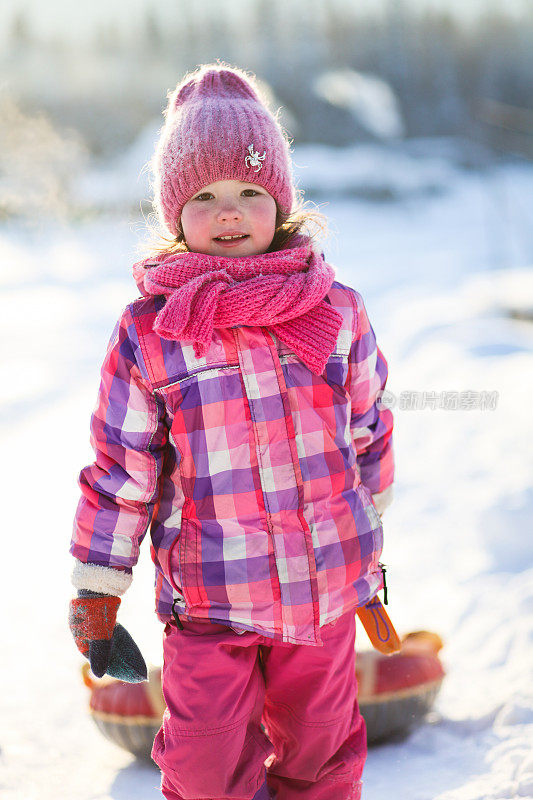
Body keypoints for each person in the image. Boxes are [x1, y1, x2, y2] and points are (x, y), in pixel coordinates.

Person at [68, 63, 394, 800]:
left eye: (250, 191)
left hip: (325, 590)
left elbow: (368, 424)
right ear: (173, 213)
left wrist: (364, 532)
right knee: (206, 764)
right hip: (212, 597)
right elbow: (121, 467)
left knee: (322, 754)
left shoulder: (333, 308)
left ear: (278, 202)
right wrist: (98, 587)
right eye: (204, 196)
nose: (229, 212)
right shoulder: (152, 332)